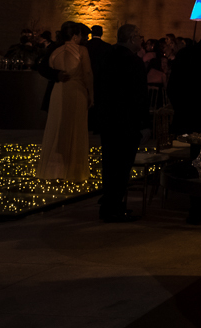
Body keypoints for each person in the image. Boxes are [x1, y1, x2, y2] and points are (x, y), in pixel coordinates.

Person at [94, 24, 149, 222]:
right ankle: (114, 207)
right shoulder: (133, 62)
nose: (142, 40)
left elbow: (99, 88)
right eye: (139, 36)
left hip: (108, 121)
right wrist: (144, 123)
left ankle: (109, 204)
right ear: (132, 38)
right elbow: (139, 96)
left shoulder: (107, 57)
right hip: (127, 122)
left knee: (109, 165)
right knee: (122, 167)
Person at [37, 21, 95, 182]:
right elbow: (88, 73)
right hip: (76, 91)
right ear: (75, 36)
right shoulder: (82, 50)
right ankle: (74, 172)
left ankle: (53, 171)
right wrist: (91, 94)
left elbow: (43, 67)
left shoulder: (55, 50)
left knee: (56, 127)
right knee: (74, 128)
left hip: (58, 90)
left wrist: (57, 75)